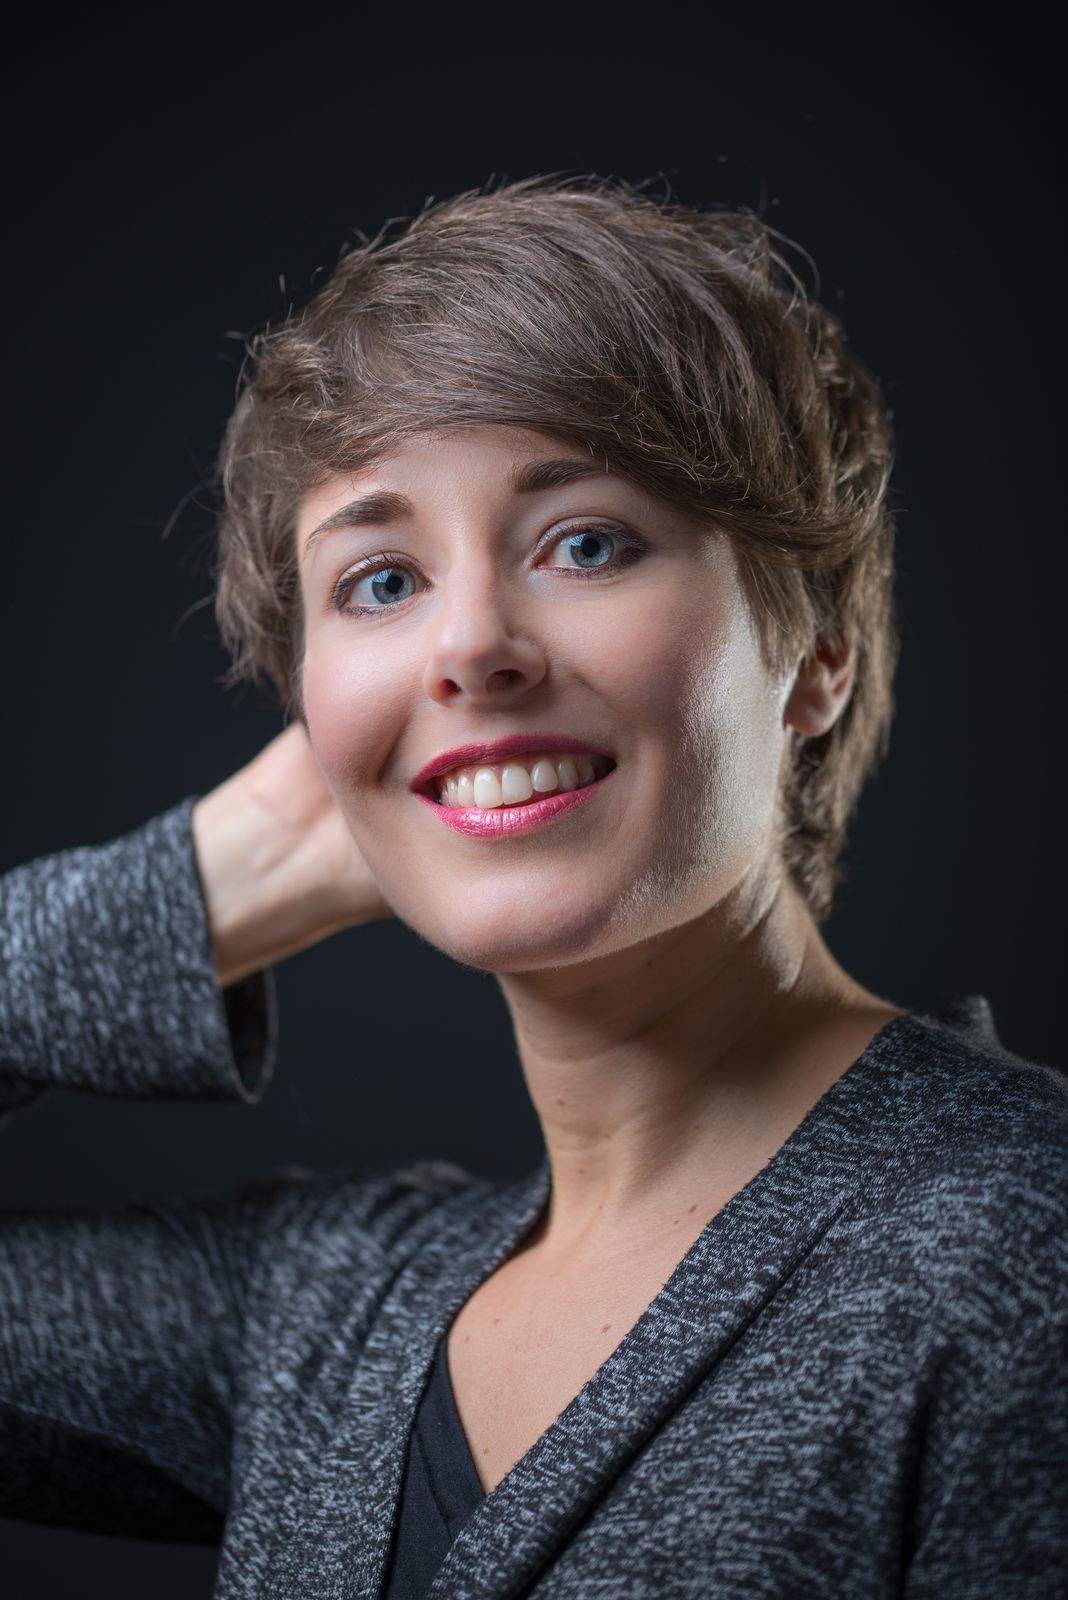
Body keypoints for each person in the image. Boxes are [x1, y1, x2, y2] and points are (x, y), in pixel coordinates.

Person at [1, 173, 1065, 1599]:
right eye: (382, 581)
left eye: (587, 542)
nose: (470, 648)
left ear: (815, 653)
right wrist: (196, 891)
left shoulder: (1024, 1241)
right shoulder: (316, 1312)